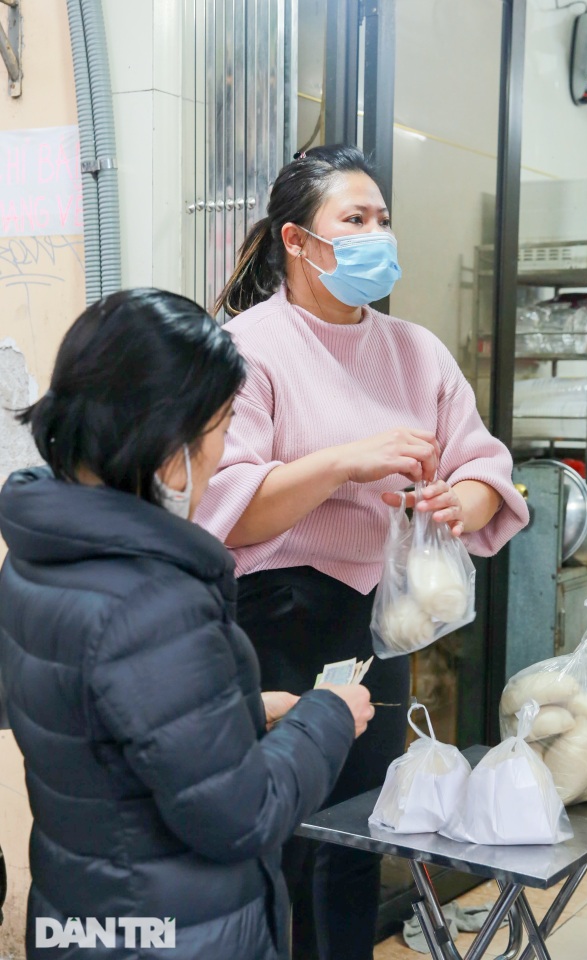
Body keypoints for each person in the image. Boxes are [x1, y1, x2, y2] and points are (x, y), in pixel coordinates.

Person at [194, 144, 530, 960]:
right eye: (356, 219)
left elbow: (483, 459)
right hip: (271, 622)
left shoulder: (415, 349)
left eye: (383, 218)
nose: (378, 233)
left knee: (358, 832)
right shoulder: (247, 348)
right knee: (277, 833)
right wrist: (348, 461)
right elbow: (226, 508)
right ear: (297, 243)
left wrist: (467, 498)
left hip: (374, 626)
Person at [0, 288, 374, 960]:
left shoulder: (38, 556)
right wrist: (328, 718)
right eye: (224, 425)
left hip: (83, 913)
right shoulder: (154, 599)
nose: (224, 450)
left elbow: (96, 720)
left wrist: (234, 712)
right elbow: (242, 815)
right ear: (170, 448)